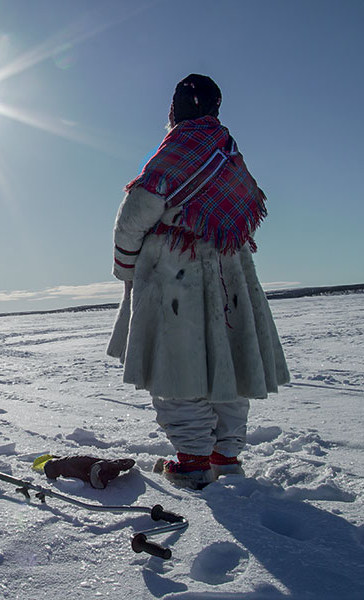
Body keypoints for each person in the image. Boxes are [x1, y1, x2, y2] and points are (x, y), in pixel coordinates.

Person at [107, 74, 290, 490]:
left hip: (177, 275)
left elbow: (133, 219)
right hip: (231, 276)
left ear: (173, 110)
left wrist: (127, 269)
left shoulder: (174, 154)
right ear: (214, 109)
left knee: (177, 367)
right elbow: (244, 211)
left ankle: (192, 462)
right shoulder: (229, 155)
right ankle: (225, 456)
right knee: (227, 364)